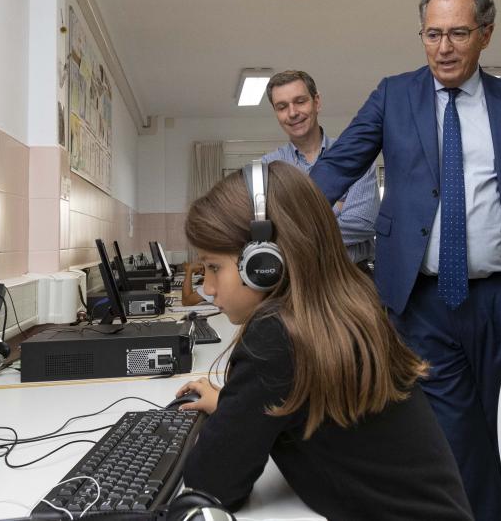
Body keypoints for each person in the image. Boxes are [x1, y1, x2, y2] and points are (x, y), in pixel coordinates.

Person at [310, 0, 501, 520]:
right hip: (421, 303)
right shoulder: (393, 95)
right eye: (432, 34)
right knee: (450, 439)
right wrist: (274, 213)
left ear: (486, 35)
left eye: (457, 33)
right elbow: (339, 164)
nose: (444, 48)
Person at [176, 162, 472, 520]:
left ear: (263, 263)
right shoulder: (337, 307)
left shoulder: (277, 335)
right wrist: (234, 405)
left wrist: (234, 416)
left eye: (214, 268)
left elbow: (212, 483)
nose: (207, 289)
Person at [261, 70, 379, 268]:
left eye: (300, 101)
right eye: (282, 107)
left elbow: (364, 223)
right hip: (295, 284)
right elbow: (267, 233)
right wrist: (336, 209)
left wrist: (291, 228)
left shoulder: (357, 156)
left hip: (352, 280)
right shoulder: (267, 169)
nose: (292, 113)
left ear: (316, 102)